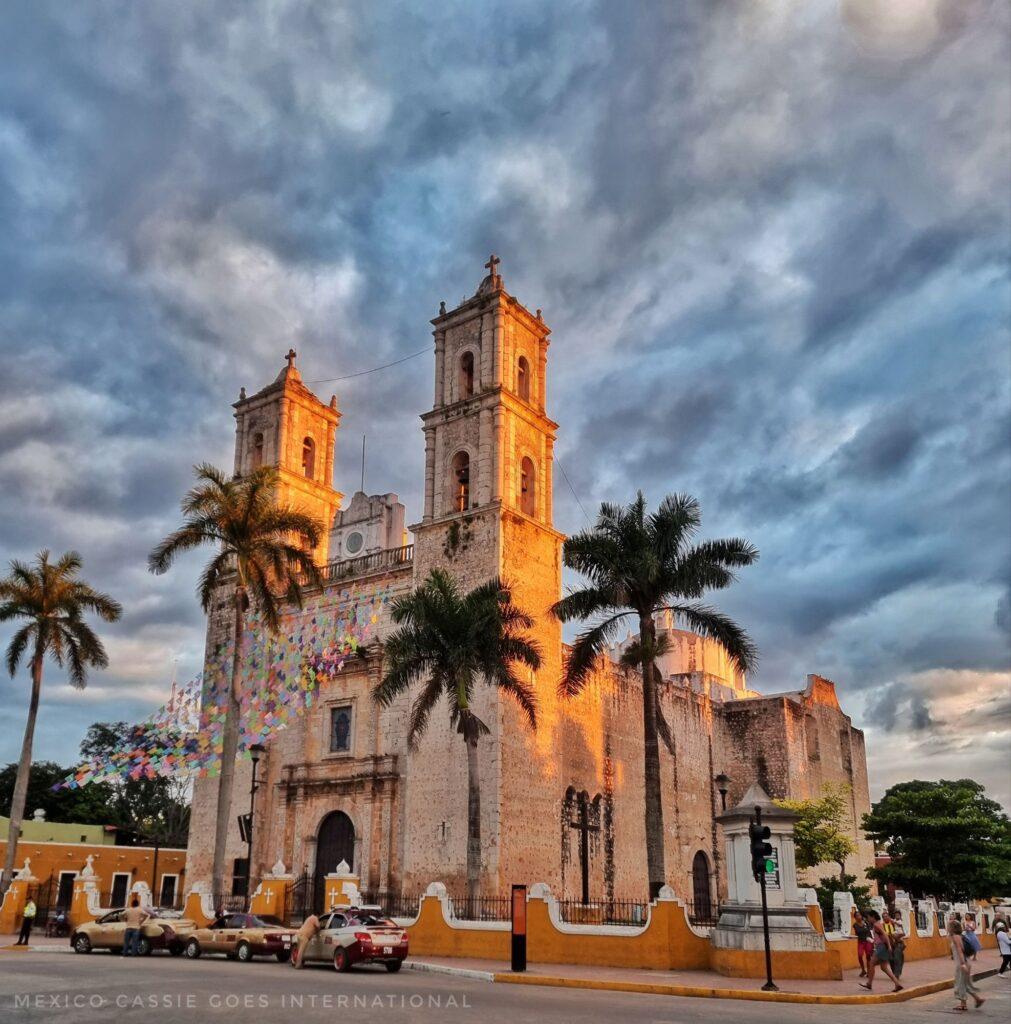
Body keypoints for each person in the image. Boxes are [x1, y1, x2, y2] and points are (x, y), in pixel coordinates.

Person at [860, 910, 903, 993]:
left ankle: (869, 983)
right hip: (883, 946)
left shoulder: (876, 924)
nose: (868, 919)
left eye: (868, 917)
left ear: (873, 917)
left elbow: (885, 934)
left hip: (882, 947)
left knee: (872, 963)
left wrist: (889, 946)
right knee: (884, 967)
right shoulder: (878, 923)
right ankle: (897, 984)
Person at [948, 919, 985, 1011]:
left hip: (962, 963)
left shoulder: (956, 937)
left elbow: (960, 951)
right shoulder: (960, 936)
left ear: (952, 928)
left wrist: (962, 964)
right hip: (965, 961)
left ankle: (963, 1004)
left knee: (960, 983)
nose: (947, 928)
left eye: (949, 926)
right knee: (966, 983)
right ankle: (978, 999)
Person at [884, 909, 906, 979]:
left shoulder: (898, 922)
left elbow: (903, 933)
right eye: (884, 917)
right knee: (891, 959)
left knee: (897, 957)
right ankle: (894, 973)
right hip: (891, 944)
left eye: (886, 916)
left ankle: (897, 974)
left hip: (899, 942)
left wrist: (897, 937)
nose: (885, 918)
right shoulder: (884, 925)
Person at [853, 910, 873, 978]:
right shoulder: (855, 925)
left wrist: (870, 939)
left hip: (867, 941)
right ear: (855, 917)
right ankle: (863, 970)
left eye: (859, 915)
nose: (859, 917)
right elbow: (857, 933)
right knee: (860, 955)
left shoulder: (866, 923)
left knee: (868, 956)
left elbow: (869, 931)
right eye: (857, 916)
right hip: (861, 942)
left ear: (861, 916)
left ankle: (869, 971)